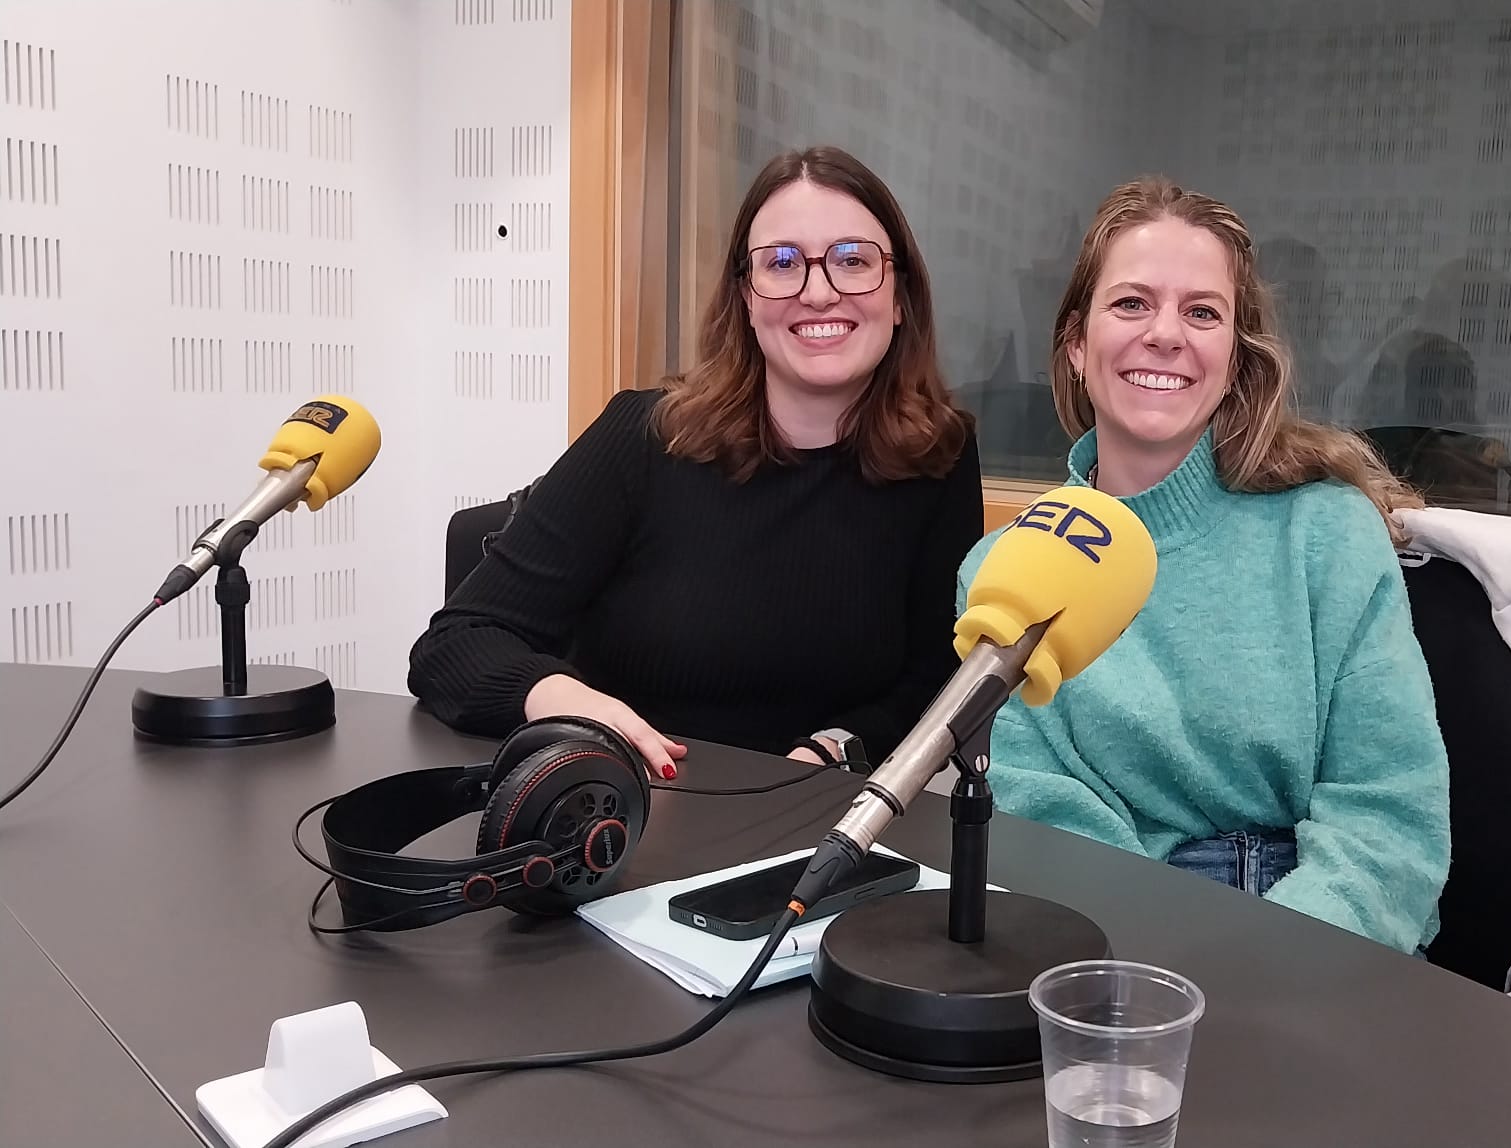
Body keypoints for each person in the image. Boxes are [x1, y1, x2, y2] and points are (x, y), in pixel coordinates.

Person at [958, 176, 1451, 953]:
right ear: (1077, 346)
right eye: (1130, 303)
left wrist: (1260, 969)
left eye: (1202, 312)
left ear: (1234, 358)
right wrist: (1156, 967)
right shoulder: (1008, 569)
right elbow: (1035, 818)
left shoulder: (1327, 535)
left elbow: (1389, 817)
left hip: (1322, 944)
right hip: (1110, 942)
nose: (1166, 334)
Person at [409, 146, 982, 779]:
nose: (818, 291)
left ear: (901, 295)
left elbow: (936, 682)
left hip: (818, 827)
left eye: (853, 261)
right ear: (746, 297)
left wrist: (838, 747)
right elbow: (452, 645)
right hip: (627, 811)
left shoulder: (941, 457)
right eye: (782, 263)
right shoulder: (644, 435)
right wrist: (565, 702)